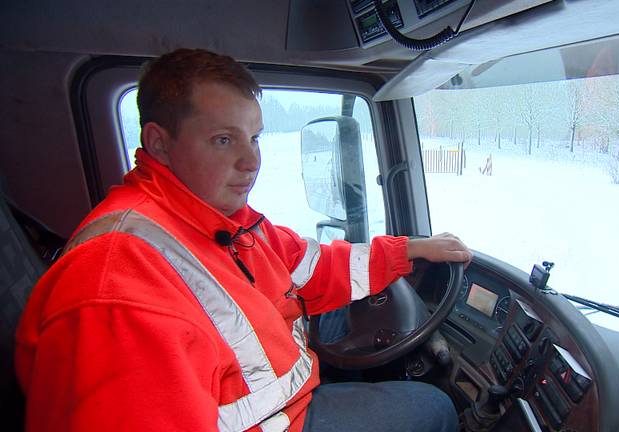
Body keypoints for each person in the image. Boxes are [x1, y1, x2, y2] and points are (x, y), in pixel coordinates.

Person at [14, 48, 472, 432]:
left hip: (278, 395)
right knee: (433, 408)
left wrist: (408, 249)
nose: (251, 160)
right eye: (223, 140)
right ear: (158, 143)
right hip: (279, 422)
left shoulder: (219, 220)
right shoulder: (115, 293)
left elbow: (309, 265)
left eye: (254, 137)